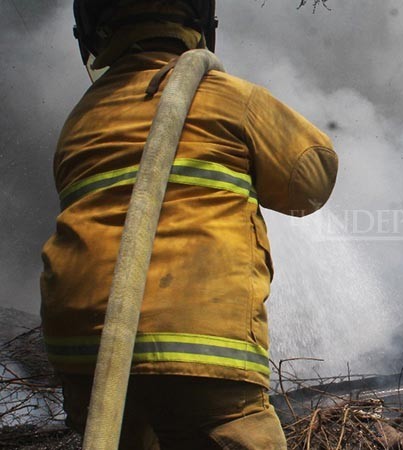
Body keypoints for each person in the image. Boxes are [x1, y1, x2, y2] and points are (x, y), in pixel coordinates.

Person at [40, 1, 338, 448]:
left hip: (89, 360)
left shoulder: (79, 121)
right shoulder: (228, 97)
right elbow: (311, 182)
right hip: (204, 354)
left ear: (92, 33)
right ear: (198, 26)